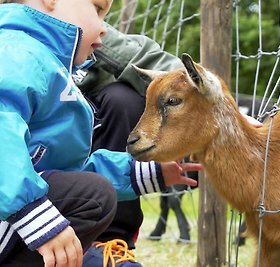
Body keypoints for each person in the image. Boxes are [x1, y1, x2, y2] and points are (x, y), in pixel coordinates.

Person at [0, 1, 202, 267]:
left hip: (14, 216)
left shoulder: (55, 68)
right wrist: (34, 215)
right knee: (93, 196)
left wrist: (141, 173)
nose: (104, 29)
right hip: (13, 213)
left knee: (93, 194)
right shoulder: (17, 52)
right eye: (97, 9)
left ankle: (87, 254)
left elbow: (67, 173)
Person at [75, 23, 189, 266]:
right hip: (36, 169)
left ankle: (111, 241)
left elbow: (141, 56)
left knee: (122, 98)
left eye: (101, 12)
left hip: (84, 138)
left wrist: (212, 103)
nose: (100, 24)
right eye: (94, 8)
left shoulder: (85, 28)